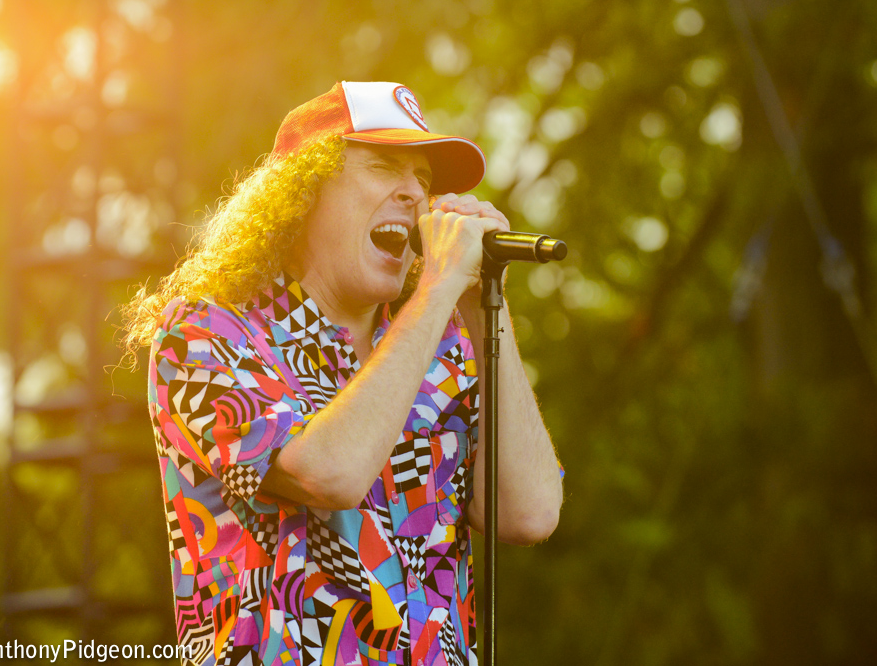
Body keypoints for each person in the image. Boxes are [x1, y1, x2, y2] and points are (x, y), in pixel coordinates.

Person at [122, 81, 564, 666]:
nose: (414, 194)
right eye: (383, 167)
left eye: (424, 181)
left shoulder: (442, 345)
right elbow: (327, 473)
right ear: (303, 191)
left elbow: (529, 512)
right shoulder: (206, 335)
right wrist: (436, 292)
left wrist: (486, 303)